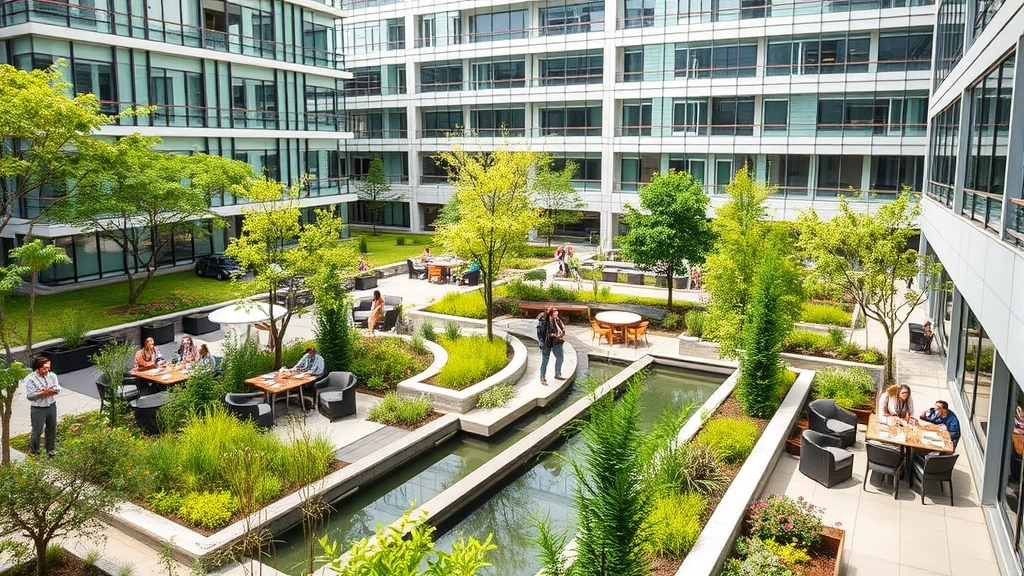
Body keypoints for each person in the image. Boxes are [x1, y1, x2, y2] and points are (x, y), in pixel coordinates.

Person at [24, 357, 60, 457]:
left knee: (51, 427)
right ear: (38, 368)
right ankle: (34, 451)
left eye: (48, 367)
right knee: (37, 430)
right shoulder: (31, 379)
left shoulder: (52, 376)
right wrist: (41, 393)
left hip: (51, 405)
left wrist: (52, 391)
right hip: (38, 408)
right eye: (44, 368)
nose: (47, 370)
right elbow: (30, 396)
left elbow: (57, 388)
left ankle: (50, 449)